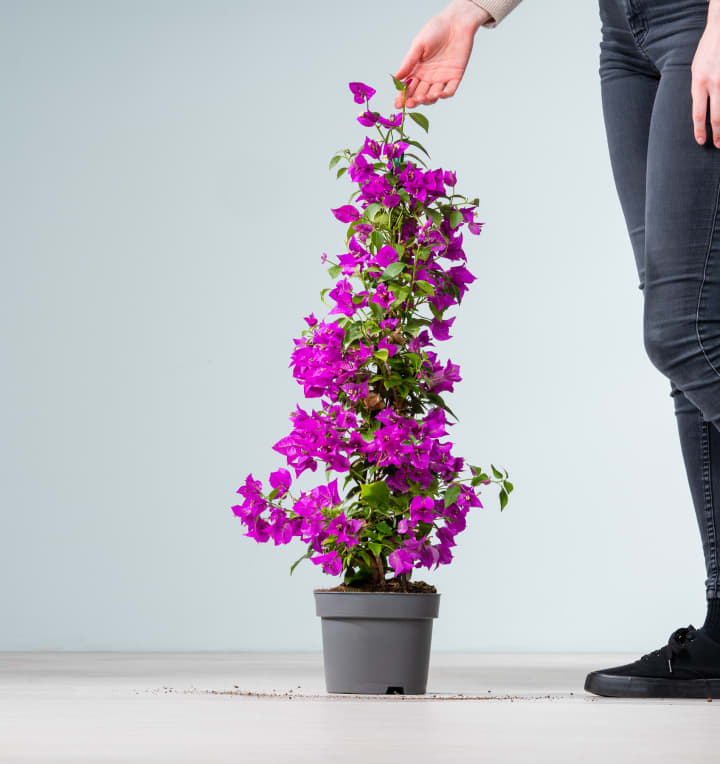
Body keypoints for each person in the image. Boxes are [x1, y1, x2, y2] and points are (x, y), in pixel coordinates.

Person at [394, 0, 720, 698]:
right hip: (626, 34)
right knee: (700, 331)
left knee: (686, 332)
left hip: (703, 16)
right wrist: (471, 12)